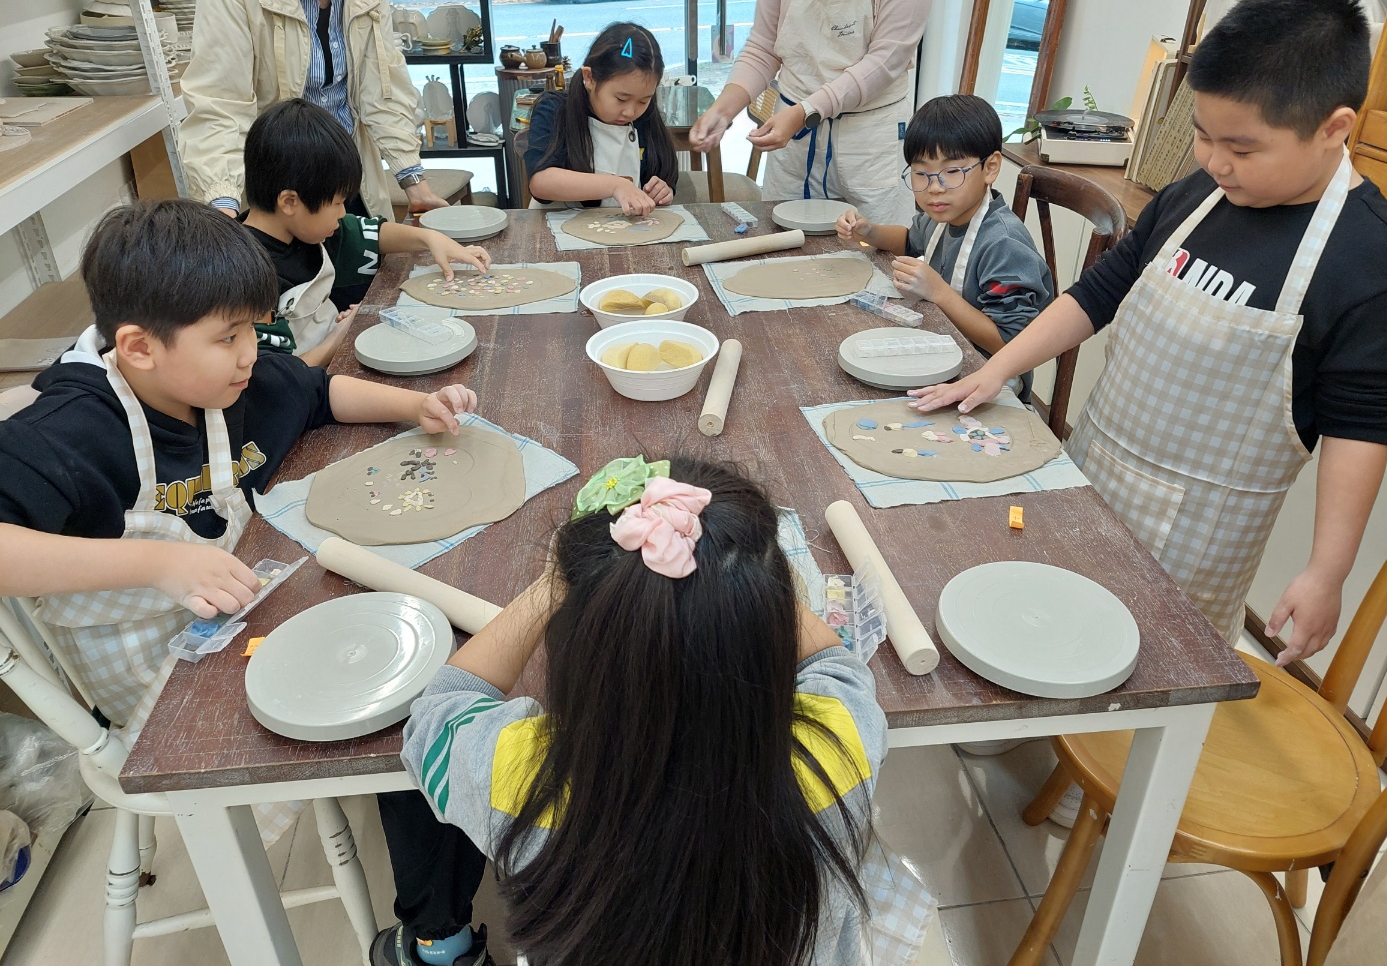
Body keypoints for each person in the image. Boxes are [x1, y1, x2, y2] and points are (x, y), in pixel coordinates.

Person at [0, 200, 491, 966]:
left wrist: (414, 406)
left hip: (240, 617)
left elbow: (317, 393)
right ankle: (438, 937)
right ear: (138, 348)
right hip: (162, 692)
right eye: (228, 337)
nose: (248, 356)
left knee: (430, 656)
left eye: (252, 332)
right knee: (408, 712)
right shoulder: (70, 430)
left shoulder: (229, 381)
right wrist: (158, 562)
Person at [911, 0, 1387, 666]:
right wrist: (997, 369)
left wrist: (1325, 572)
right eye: (1202, 134)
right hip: (1096, 464)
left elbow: (1359, 429)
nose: (1214, 160)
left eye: (1242, 147)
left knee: (1150, 667)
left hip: (1199, 538)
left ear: (1332, 129)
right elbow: (1097, 292)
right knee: (1045, 630)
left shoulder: (1363, 256)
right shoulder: (1199, 195)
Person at [401, 456, 891, 966]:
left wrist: (557, 580)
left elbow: (440, 711)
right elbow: (834, 665)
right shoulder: (838, 751)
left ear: (576, 650)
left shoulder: (519, 780)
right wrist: (749, 576)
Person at [180, 0, 451, 220]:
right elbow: (219, 104)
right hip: (277, 193)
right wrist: (223, 209)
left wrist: (414, 182)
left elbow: (383, 86)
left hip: (348, 181)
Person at [688, 0, 935, 225]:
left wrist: (805, 112)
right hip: (794, 136)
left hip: (868, 140)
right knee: (785, 240)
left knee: (872, 245)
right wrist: (722, 111)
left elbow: (887, 59)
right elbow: (764, 45)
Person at [836, 94, 1052, 401]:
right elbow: (909, 241)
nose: (934, 187)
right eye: (921, 174)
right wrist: (870, 231)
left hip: (991, 385)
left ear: (990, 168)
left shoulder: (1004, 245)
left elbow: (1011, 344)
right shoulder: (943, 216)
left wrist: (938, 291)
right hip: (945, 355)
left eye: (952, 172)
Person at [242, 99, 490, 366]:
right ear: (290, 202)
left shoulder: (306, 230)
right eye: (337, 203)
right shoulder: (248, 277)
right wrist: (340, 334)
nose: (342, 214)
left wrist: (430, 239)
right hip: (309, 380)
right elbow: (274, 378)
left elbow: (375, 235)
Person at [524, 23, 678, 215]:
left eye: (643, 101)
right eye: (621, 99)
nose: (630, 112)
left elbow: (665, 170)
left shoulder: (645, 117)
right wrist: (615, 185)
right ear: (590, 78)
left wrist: (663, 190)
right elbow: (541, 182)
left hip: (626, 226)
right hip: (555, 224)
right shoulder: (554, 109)